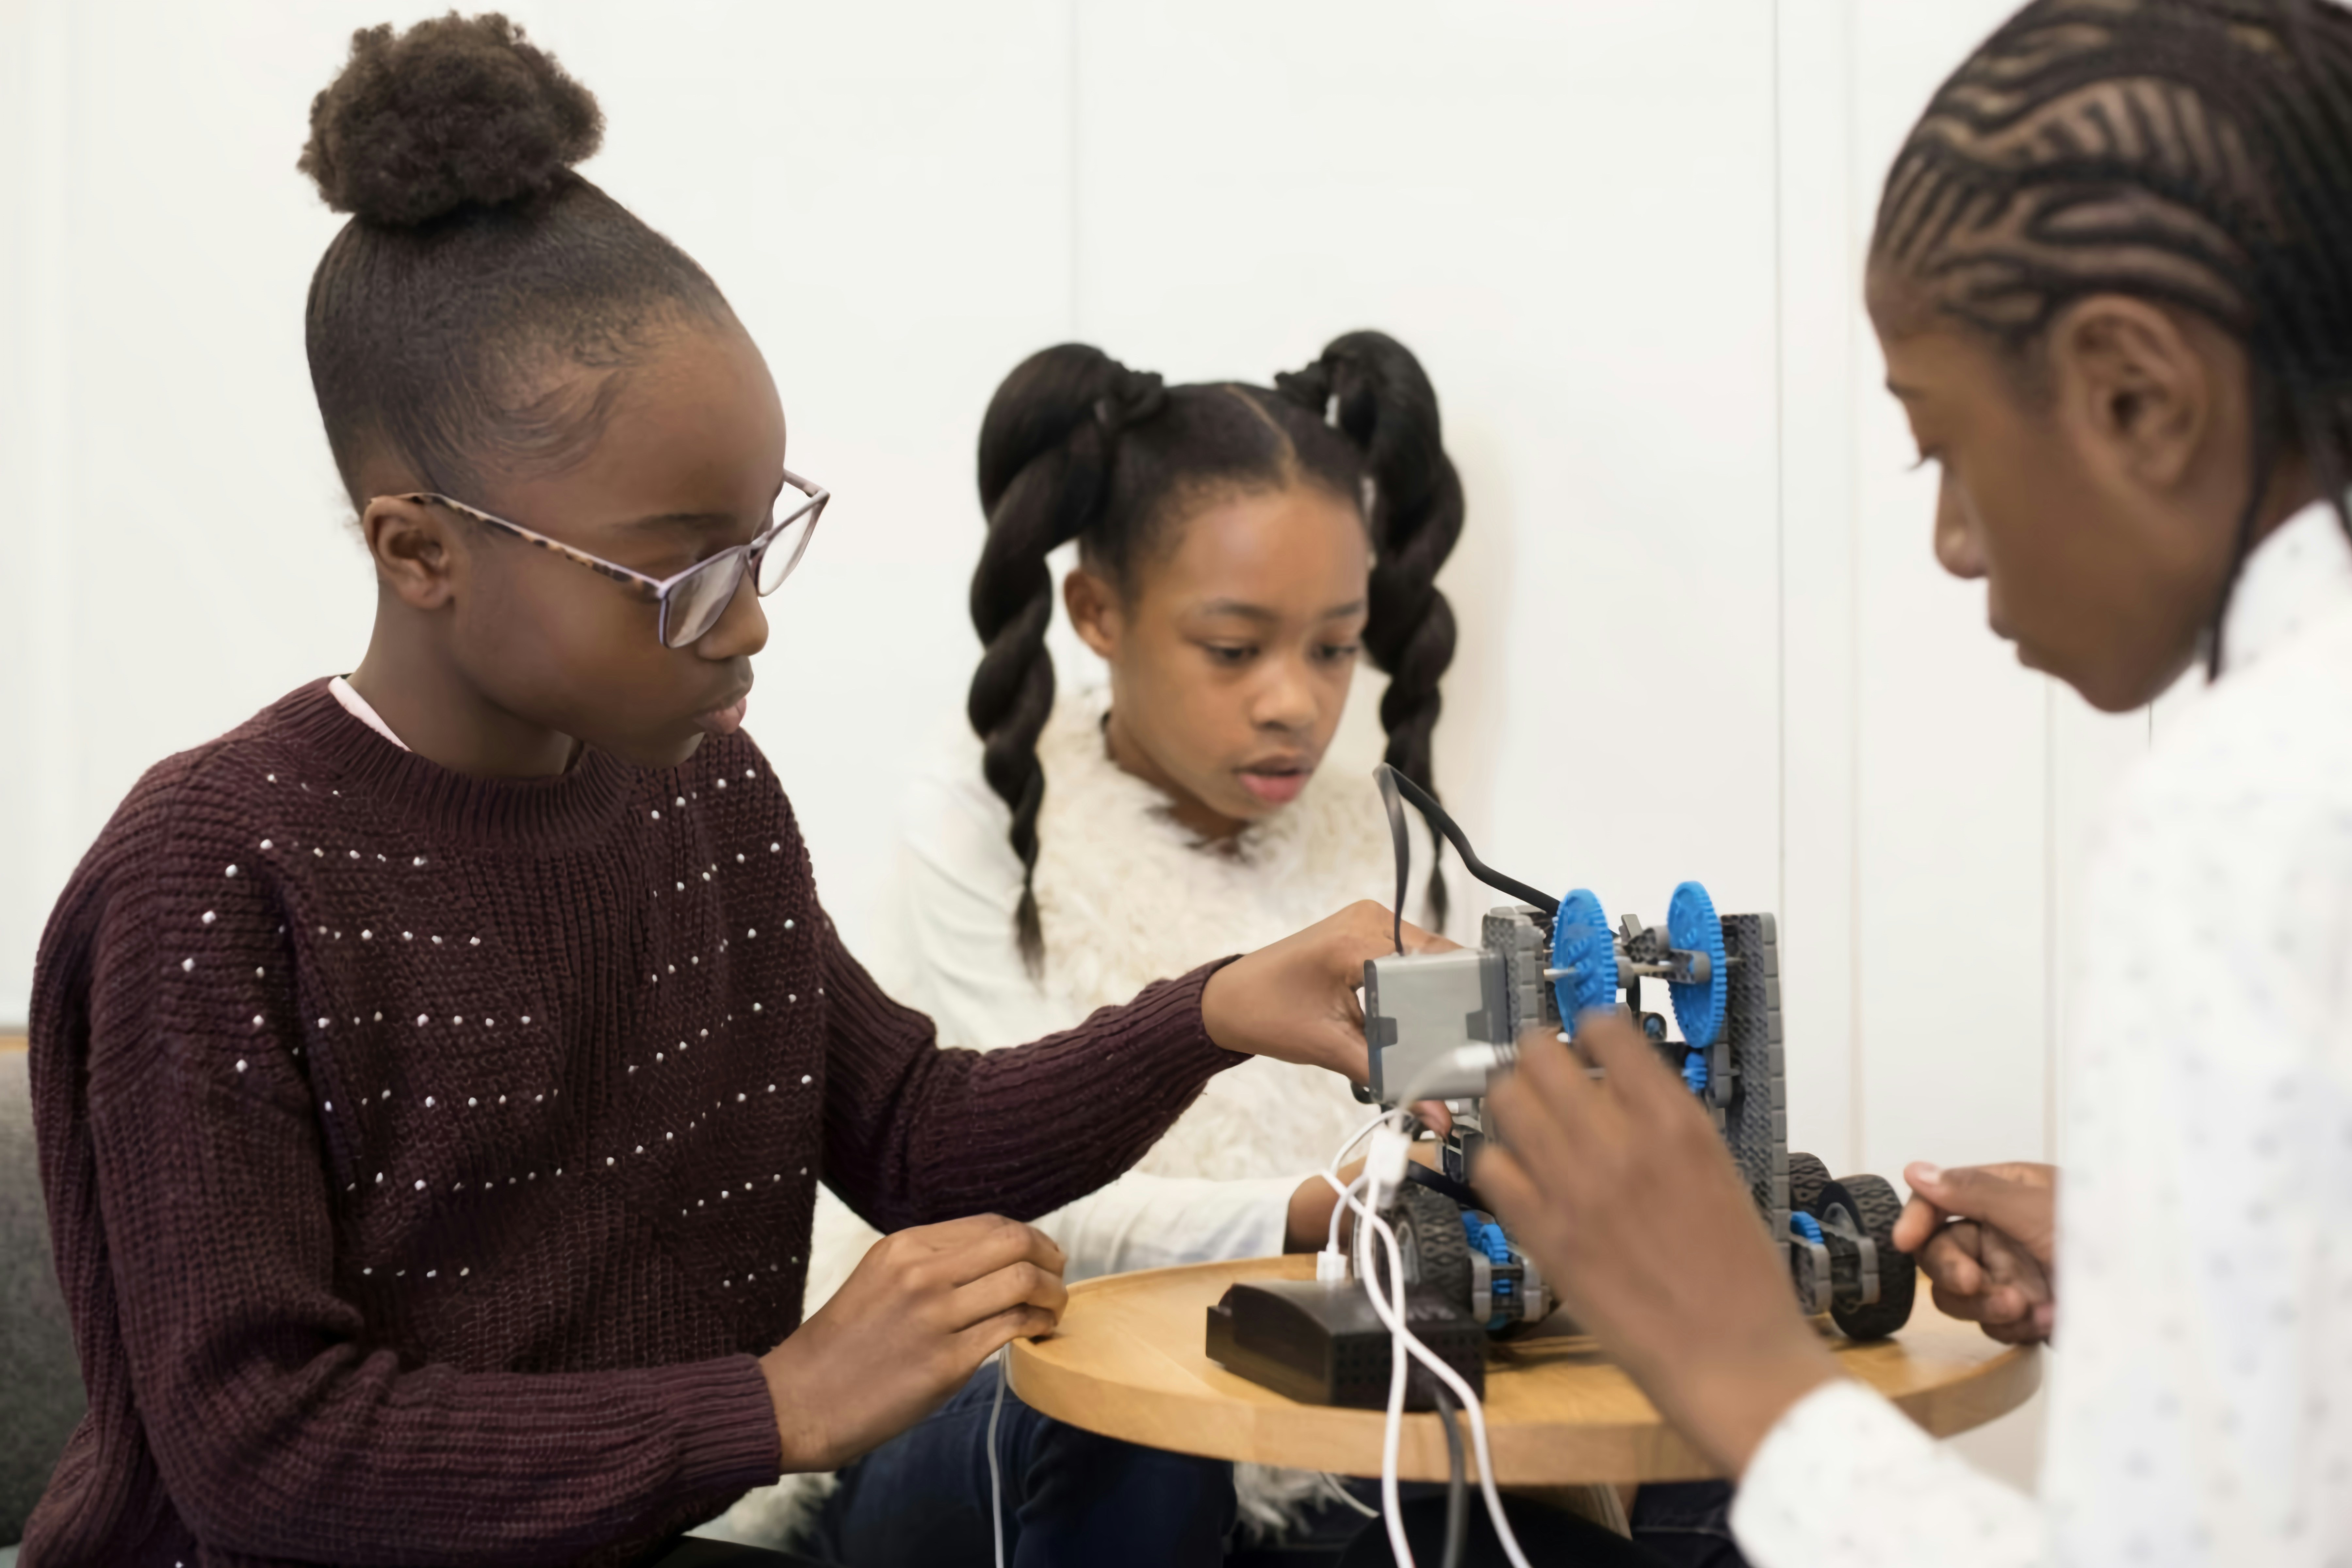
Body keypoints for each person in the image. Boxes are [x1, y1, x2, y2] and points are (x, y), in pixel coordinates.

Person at [16, 16, 1428, 1567]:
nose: (748, 622)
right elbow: (262, 1451)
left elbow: (908, 1132)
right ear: (420, 550)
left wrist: (1215, 1010)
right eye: (684, 572)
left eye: (761, 545)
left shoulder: (700, 794)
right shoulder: (211, 873)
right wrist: (775, 1407)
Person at [1472, 2, 2352, 1565]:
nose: (1951, 541)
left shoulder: (2246, 809)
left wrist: (1747, 1377)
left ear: (2137, 394)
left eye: (1940, 445)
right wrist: (2192, 1269)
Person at [760, 336, 1468, 1554]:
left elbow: (1444, 1141)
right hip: (991, 1396)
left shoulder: (1374, 833)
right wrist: (1312, 1213)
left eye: (1336, 647)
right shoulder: (984, 813)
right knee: (1138, 1414)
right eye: (1234, 649)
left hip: (1296, 1431)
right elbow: (995, 1202)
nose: (1296, 702)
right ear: (1096, 612)